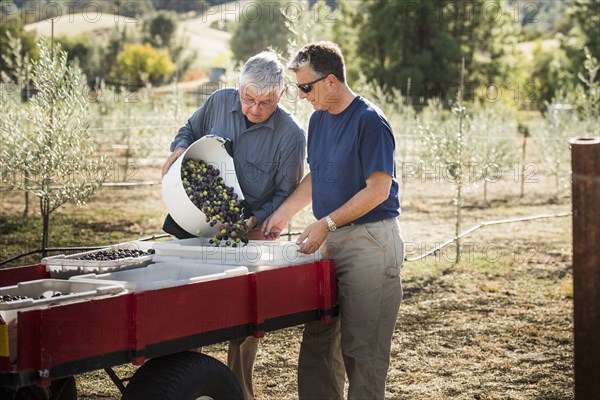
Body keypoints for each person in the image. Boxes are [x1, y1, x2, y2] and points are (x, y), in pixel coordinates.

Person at [262, 41, 404, 400]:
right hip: (330, 240)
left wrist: (326, 223)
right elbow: (317, 175)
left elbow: (378, 190)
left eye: (306, 87)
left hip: (369, 243)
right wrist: (282, 214)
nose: (301, 95)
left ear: (330, 81)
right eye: (298, 87)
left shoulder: (370, 121)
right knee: (319, 341)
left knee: (362, 350)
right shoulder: (318, 119)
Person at [162, 51, 306, 400]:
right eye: (248, 99)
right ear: (238, 87)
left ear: (282, 94)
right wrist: (180, 148)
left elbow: (286, 195)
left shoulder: (291, 137)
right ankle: (186, 377)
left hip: (250, 234)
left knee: (243, 319)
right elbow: (190, 129)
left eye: (266, 102)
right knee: (187, 303)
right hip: (194, 221)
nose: (255, 109)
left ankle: (240, 390)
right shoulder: (218, 101)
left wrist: (254, 220)